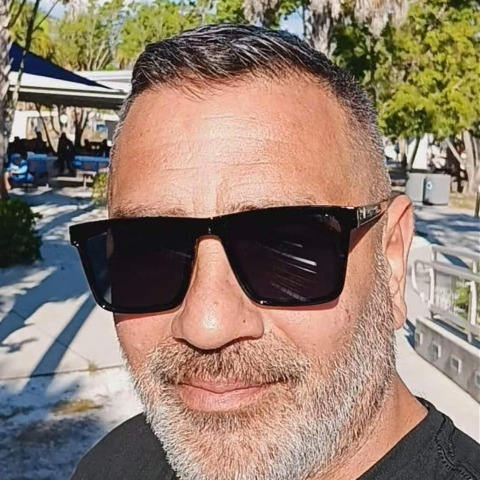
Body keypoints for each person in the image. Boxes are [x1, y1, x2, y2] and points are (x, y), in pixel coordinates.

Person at [70, 24, 479, 480]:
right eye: (148, 252)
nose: (206, 326)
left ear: (392, 261)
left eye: (285, 248)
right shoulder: (110, 466)